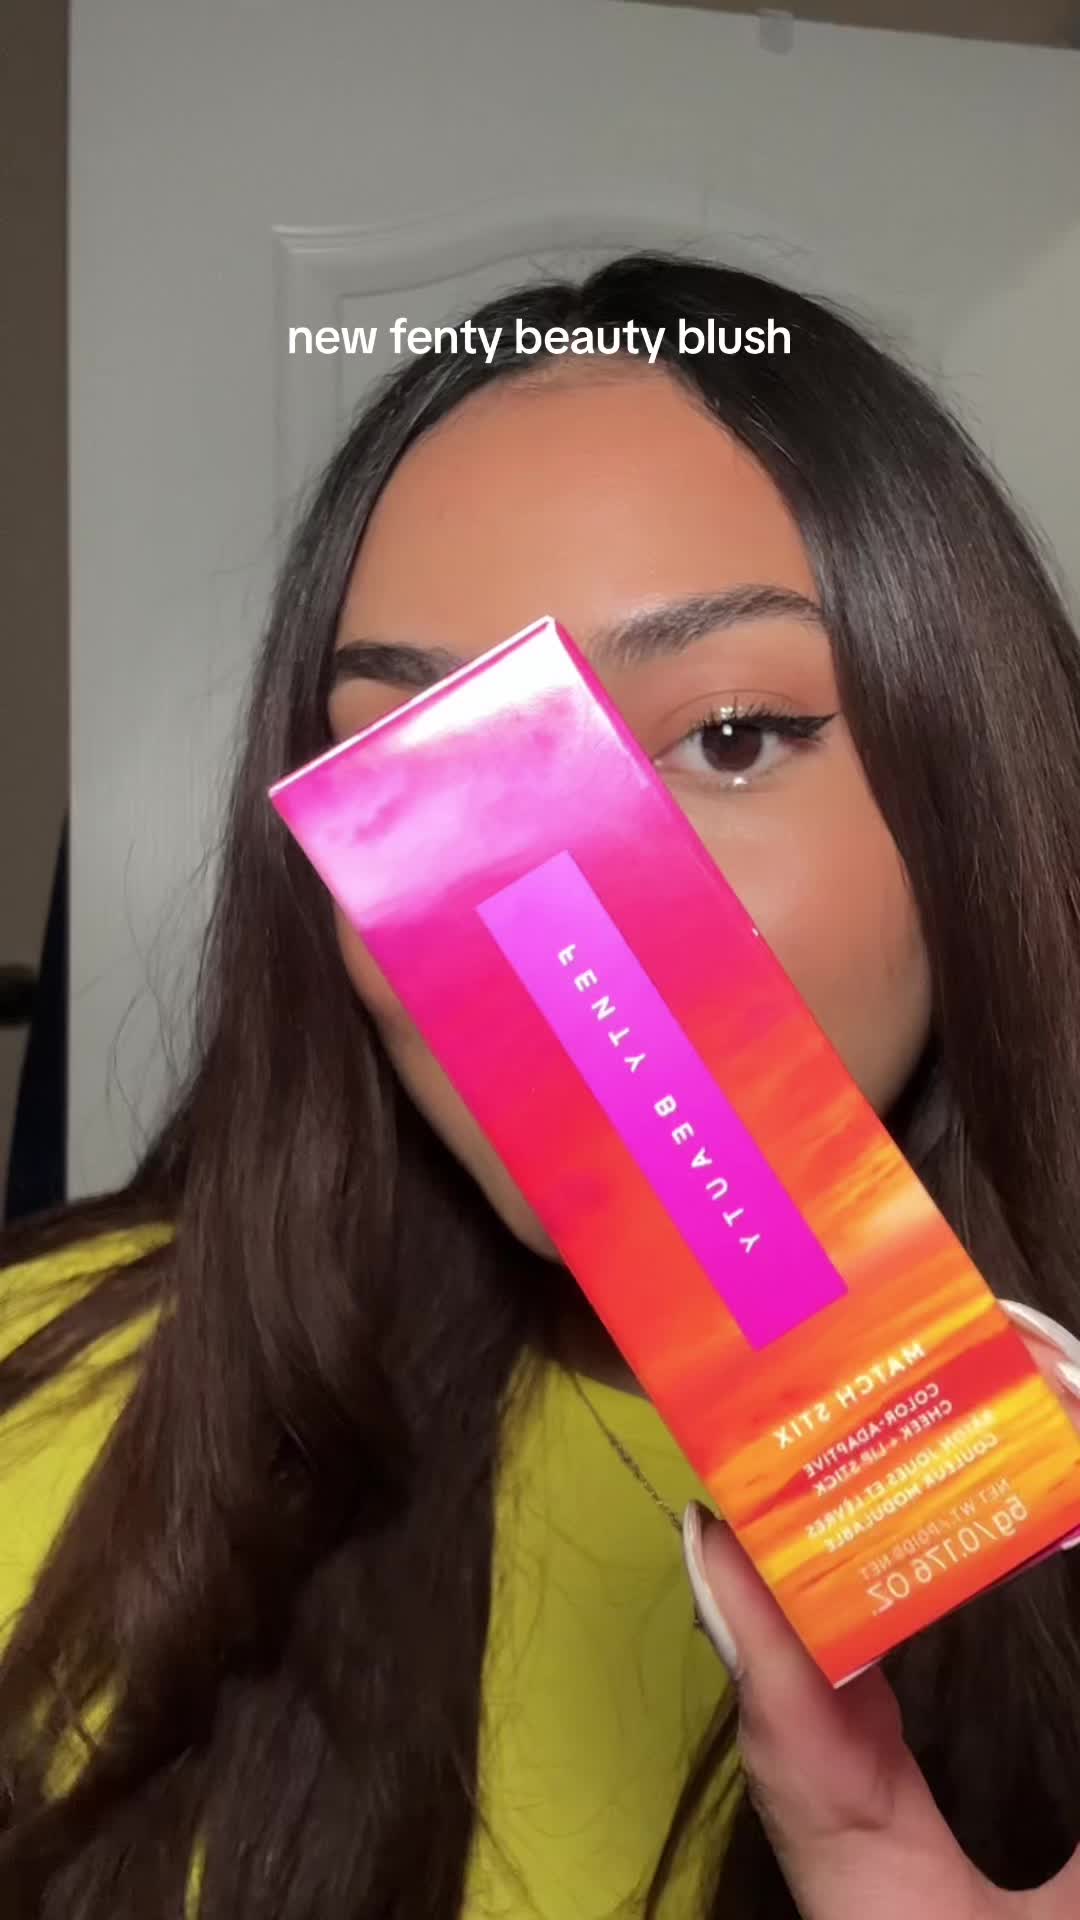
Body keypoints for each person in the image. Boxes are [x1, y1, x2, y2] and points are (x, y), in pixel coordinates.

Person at [1, 249, 1079, 1920]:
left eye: (732, 735)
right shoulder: (42, 1400)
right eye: (416, 770)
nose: (556, 926)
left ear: (971, 797)